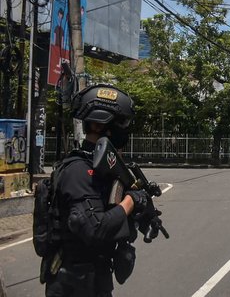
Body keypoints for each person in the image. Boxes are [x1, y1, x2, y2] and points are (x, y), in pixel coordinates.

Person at [43, 84, 154, 297]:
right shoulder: (79, 170)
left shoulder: (100, 168)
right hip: (72, 285)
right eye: (121, 123)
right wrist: (131, 201)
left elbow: (111, 212)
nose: (124, 130)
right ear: (99, 124)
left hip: (94, 280)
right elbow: (95, 228)